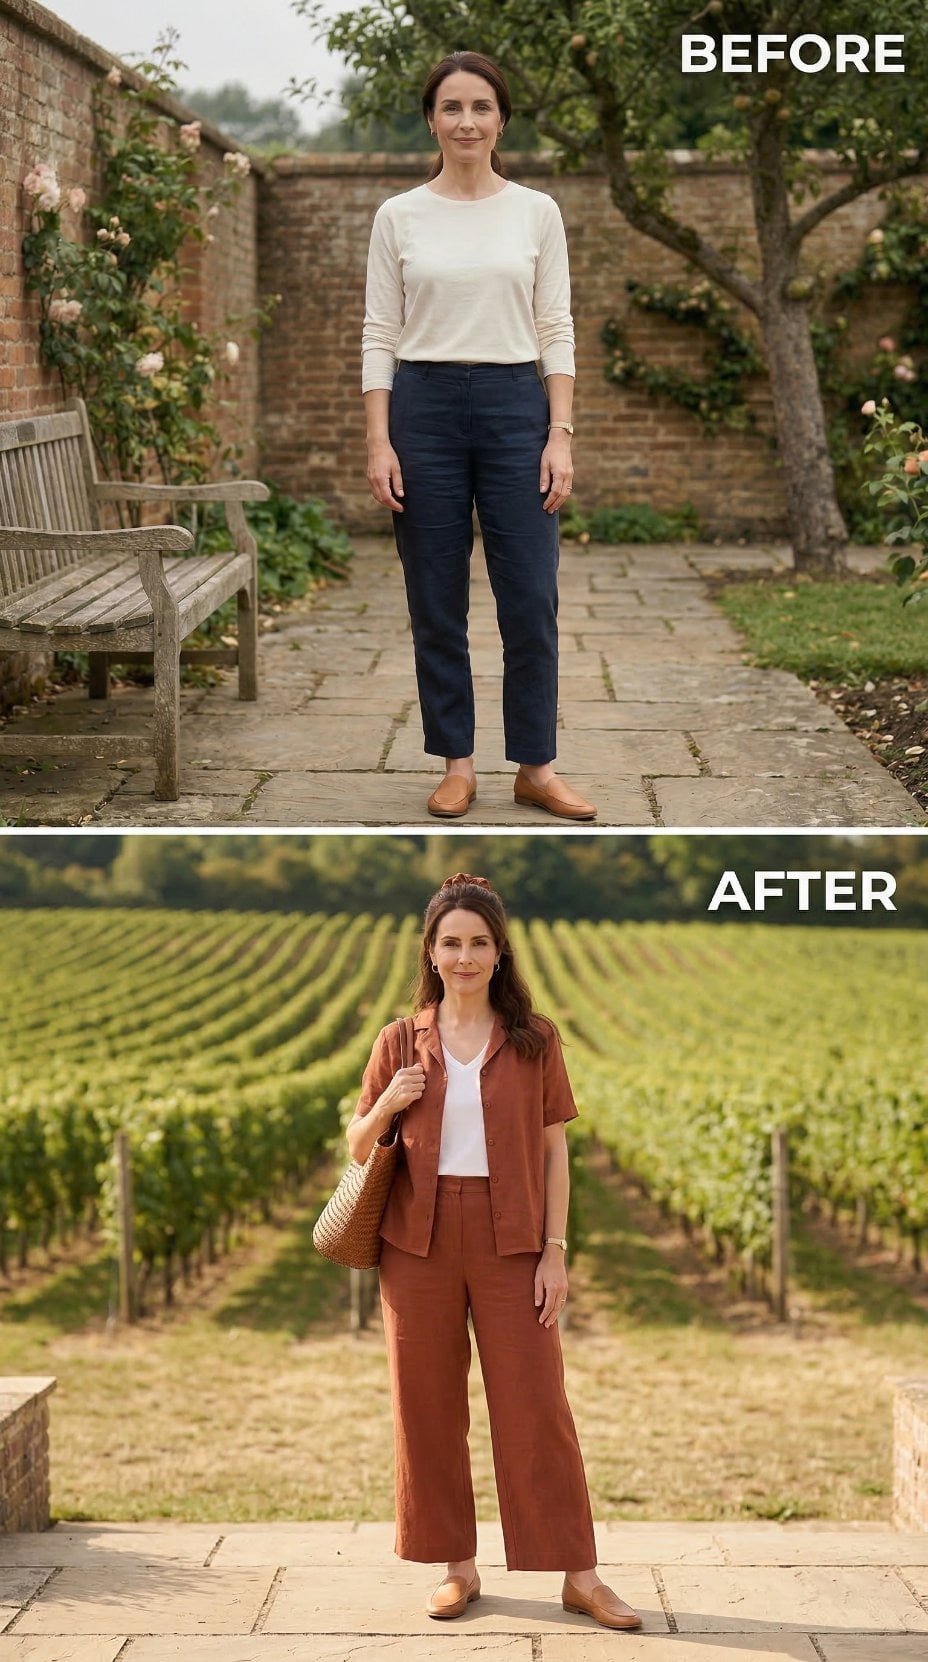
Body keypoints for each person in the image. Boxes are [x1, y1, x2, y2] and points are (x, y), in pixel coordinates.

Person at [346, 872, 642, 1631]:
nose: (465, 956)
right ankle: (456, 1567)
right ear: (431, 952)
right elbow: (357, 1144)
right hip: (417, 1242)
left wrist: (555, 1250)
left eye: (480, 942)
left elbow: (555, 1152)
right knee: (427, 1405)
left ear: (500, 952)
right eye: (452, 943)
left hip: (514, 1239)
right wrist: (390, 1101)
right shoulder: (398, 1040)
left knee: (538, 1404)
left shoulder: (535, 1039)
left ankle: (580, 1575)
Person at [361, 51, 597, 823]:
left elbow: (556, 327)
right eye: (452, 107)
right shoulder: (398, 216)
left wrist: (559, 433)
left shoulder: (536, 212)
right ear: (431, 120)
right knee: (436, 600)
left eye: (481, 107)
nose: (467, 121)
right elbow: (380, 333)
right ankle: (456, 765)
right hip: (422, 410)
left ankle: (536, 767)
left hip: (514, 408)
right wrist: (379, 441)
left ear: (502, 120)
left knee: (530, 598)